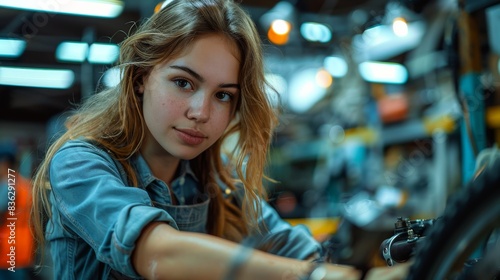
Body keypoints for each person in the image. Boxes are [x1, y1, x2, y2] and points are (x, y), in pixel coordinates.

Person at [31, 0, 409, 279]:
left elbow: (297, 249)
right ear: (142, 77)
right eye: (183, 83)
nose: (201, 112)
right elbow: (156, 253)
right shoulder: (80, 163)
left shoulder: (217, 184)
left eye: (223, 95)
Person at [0, 143, 35, 279]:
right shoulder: (25, 184)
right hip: (23, 248)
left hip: (6, 249)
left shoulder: (6, 185)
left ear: (5, 163)